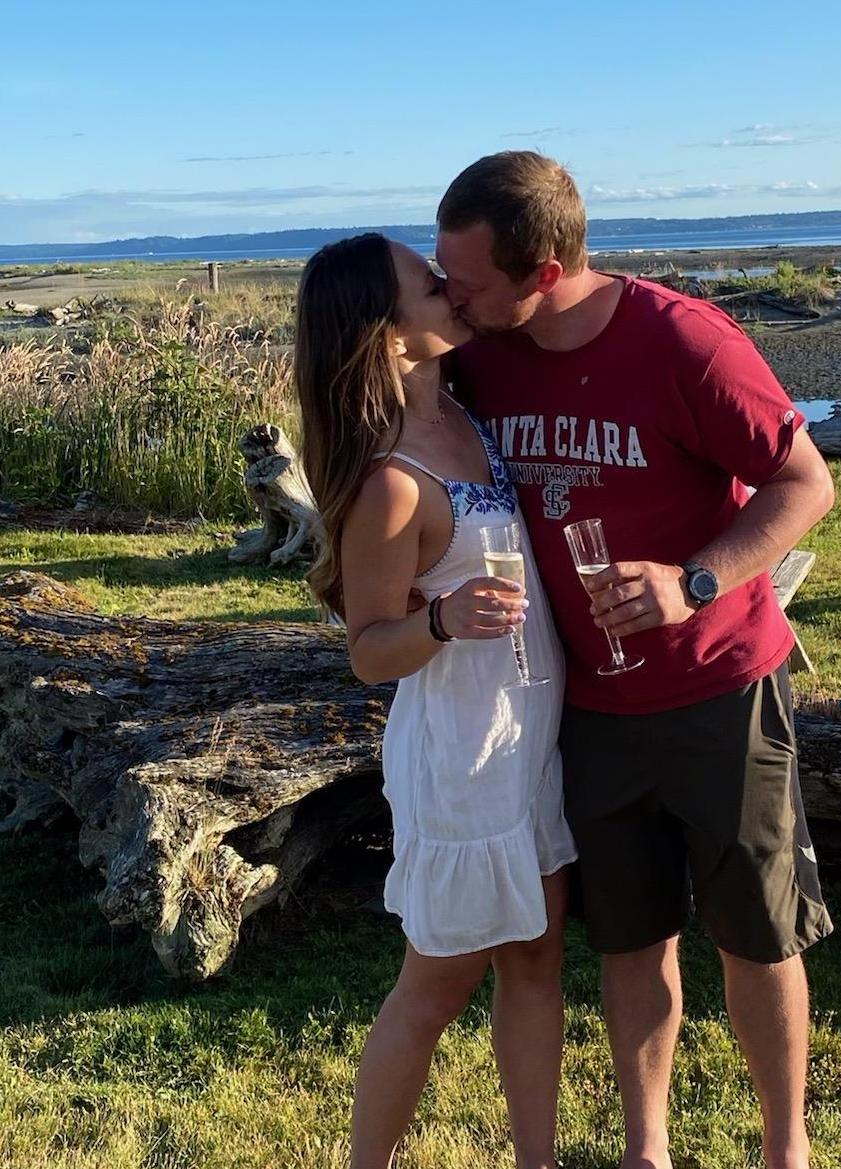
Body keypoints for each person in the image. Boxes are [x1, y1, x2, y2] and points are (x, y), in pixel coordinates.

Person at [436, 152, 836, 1169]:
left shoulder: (685, 343)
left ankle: (784, 1148)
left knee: (755, 931)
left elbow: (804, 484)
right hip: (586, 704)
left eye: (468, 282)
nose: (452, 299)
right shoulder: (482, 353)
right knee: (630, 934)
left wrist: (692, 581)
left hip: (717, 686)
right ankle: (643, 1149)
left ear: (544, 272)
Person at [294, 231, 577, 1169]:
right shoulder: (389, 481)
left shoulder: (467, 411)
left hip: (527, 744)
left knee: (535, 959)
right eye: (429, 286)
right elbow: (369, 653)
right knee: (434, 987)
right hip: (459, 762)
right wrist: (445, 620)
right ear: (386, 334)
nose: (453, 291)